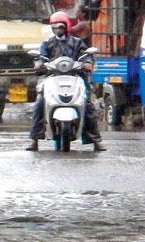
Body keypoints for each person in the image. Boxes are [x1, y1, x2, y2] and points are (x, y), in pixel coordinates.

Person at [26, 11, 105, 152]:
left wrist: (88, 62)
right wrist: (38, 63)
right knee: (39, 104)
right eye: (55, 27)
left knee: (88, 105)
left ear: (67, 26)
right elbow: (40, 57)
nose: (58, 30)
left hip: (76, 78)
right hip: (51, 78)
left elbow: (86, 55)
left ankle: (96, 141)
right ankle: (34, 140)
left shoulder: (77, 42)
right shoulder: (47, 43)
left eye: (61, 26)